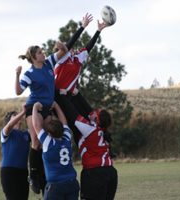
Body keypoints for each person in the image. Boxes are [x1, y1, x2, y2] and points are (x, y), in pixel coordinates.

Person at [15, 13, 93, 194]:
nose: (44, 53)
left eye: (43, 51)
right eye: (40, 52)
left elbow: (66, 49)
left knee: (53, 138)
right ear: (34, 57)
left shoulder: (49, 64)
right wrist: (17, 75)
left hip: (48, 108)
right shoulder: (29, 73)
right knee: (36, 141)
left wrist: (82, 27)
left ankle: (50, 174)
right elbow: (18, 91)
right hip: (33, 108)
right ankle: (33, 175)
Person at [62, 100, 118, 200]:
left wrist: (62, 96)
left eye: (95, 113)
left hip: (94, 172)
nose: (92, 112)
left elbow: (72, 113)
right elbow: (86, 108)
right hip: (110, 171)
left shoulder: (89, 129)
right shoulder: (103, 132)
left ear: (97, 119)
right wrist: (77, 94)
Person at [32, 102, 79, 200]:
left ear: (49, 133)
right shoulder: (67, 139)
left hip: (56, 185)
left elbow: (36, 125)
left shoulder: (48, 143)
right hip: (72, 183)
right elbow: (64, 123)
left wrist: (35, 107)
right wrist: (57, 106)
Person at [0, 106, 30, 200]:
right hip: (9, 172)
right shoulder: (6, 132)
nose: (19, 119)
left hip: (23, 172)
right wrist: (23, 112)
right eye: (15, 117)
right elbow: (9, 125)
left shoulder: (26, 134)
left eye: (18, 117)